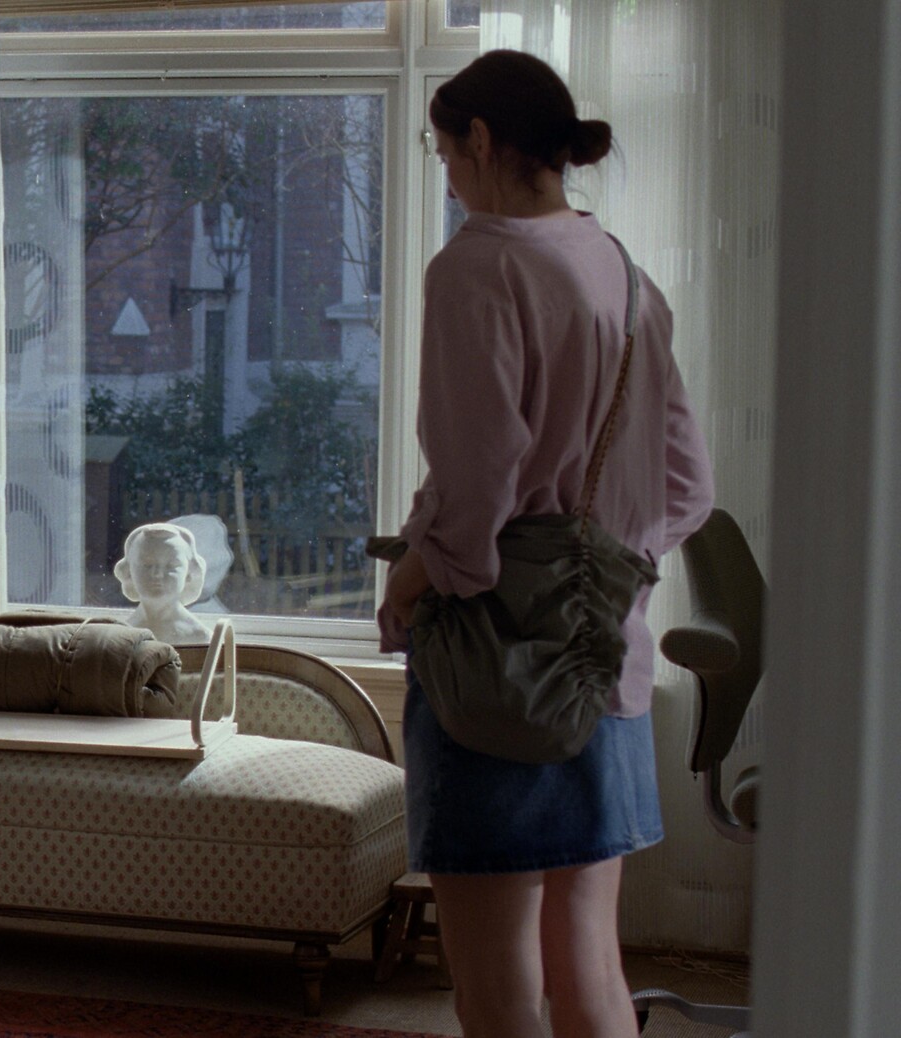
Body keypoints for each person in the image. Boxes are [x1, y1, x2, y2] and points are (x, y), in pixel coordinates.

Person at [376, 50, 714, 1038]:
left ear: (481, 142)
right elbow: (688, 488)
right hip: (604, 660)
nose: (447, 177)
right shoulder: (623, 274)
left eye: (444, 153)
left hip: (498, 670)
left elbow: (476, 492)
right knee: (590, 968)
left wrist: (413, 578)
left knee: (495, 987)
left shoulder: (477, 265)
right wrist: (600, 571)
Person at [114, 522, 210, 644]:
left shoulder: (199, 636)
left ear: (189, 573)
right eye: (147, 565)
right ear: (129, 571)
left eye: (171, 565)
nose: (157, 574)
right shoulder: (122, 635)